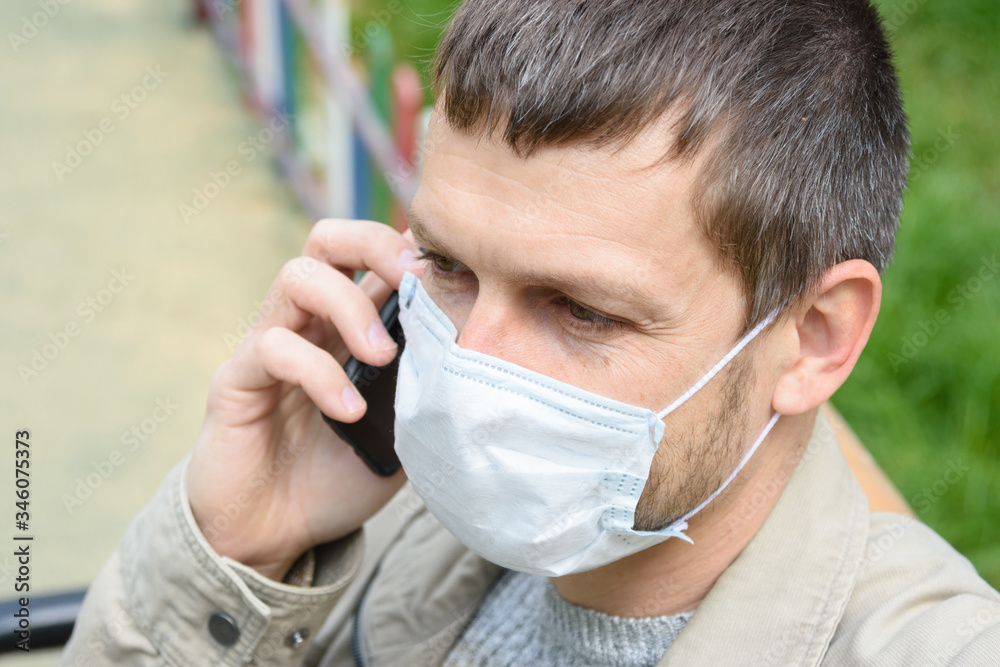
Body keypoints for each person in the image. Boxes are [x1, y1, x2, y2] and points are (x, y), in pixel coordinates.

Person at [61, 0, 1000, 665]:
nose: (468, 369)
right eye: (449, 266)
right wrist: (235, 555)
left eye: (581, 309)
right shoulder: (374, 517)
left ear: (816, 338)